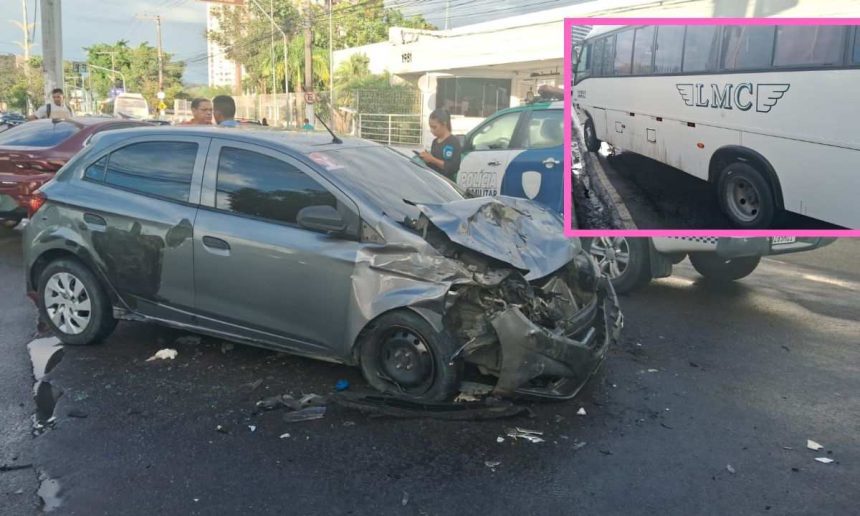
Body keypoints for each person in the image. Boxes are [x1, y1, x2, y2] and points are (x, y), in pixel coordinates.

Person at [418, 109, 461, 181]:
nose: (431, 130)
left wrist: (433, 159)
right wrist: (426, 158)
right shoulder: (435, 142)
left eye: (434, 127)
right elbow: (433, 166)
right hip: (434, 182)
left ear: (444, 124)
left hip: (447, 184)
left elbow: (453, 168)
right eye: (430, 127)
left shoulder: (453, 142)